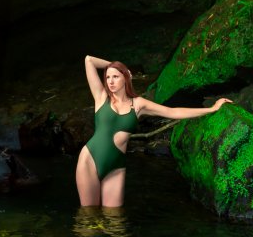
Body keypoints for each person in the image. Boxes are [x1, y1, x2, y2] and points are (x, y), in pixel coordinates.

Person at [77, 55, 232, 208]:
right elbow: (89, 60)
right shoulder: (101, 97)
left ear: (125, 78)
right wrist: (114, 65)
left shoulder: (138, 104)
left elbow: (173, 112)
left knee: (114, 221)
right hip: (90, 159)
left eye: (116, 76)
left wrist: (211, 109)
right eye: (108, 77)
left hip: (116, 166)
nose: (110, 81)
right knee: (89, 217)